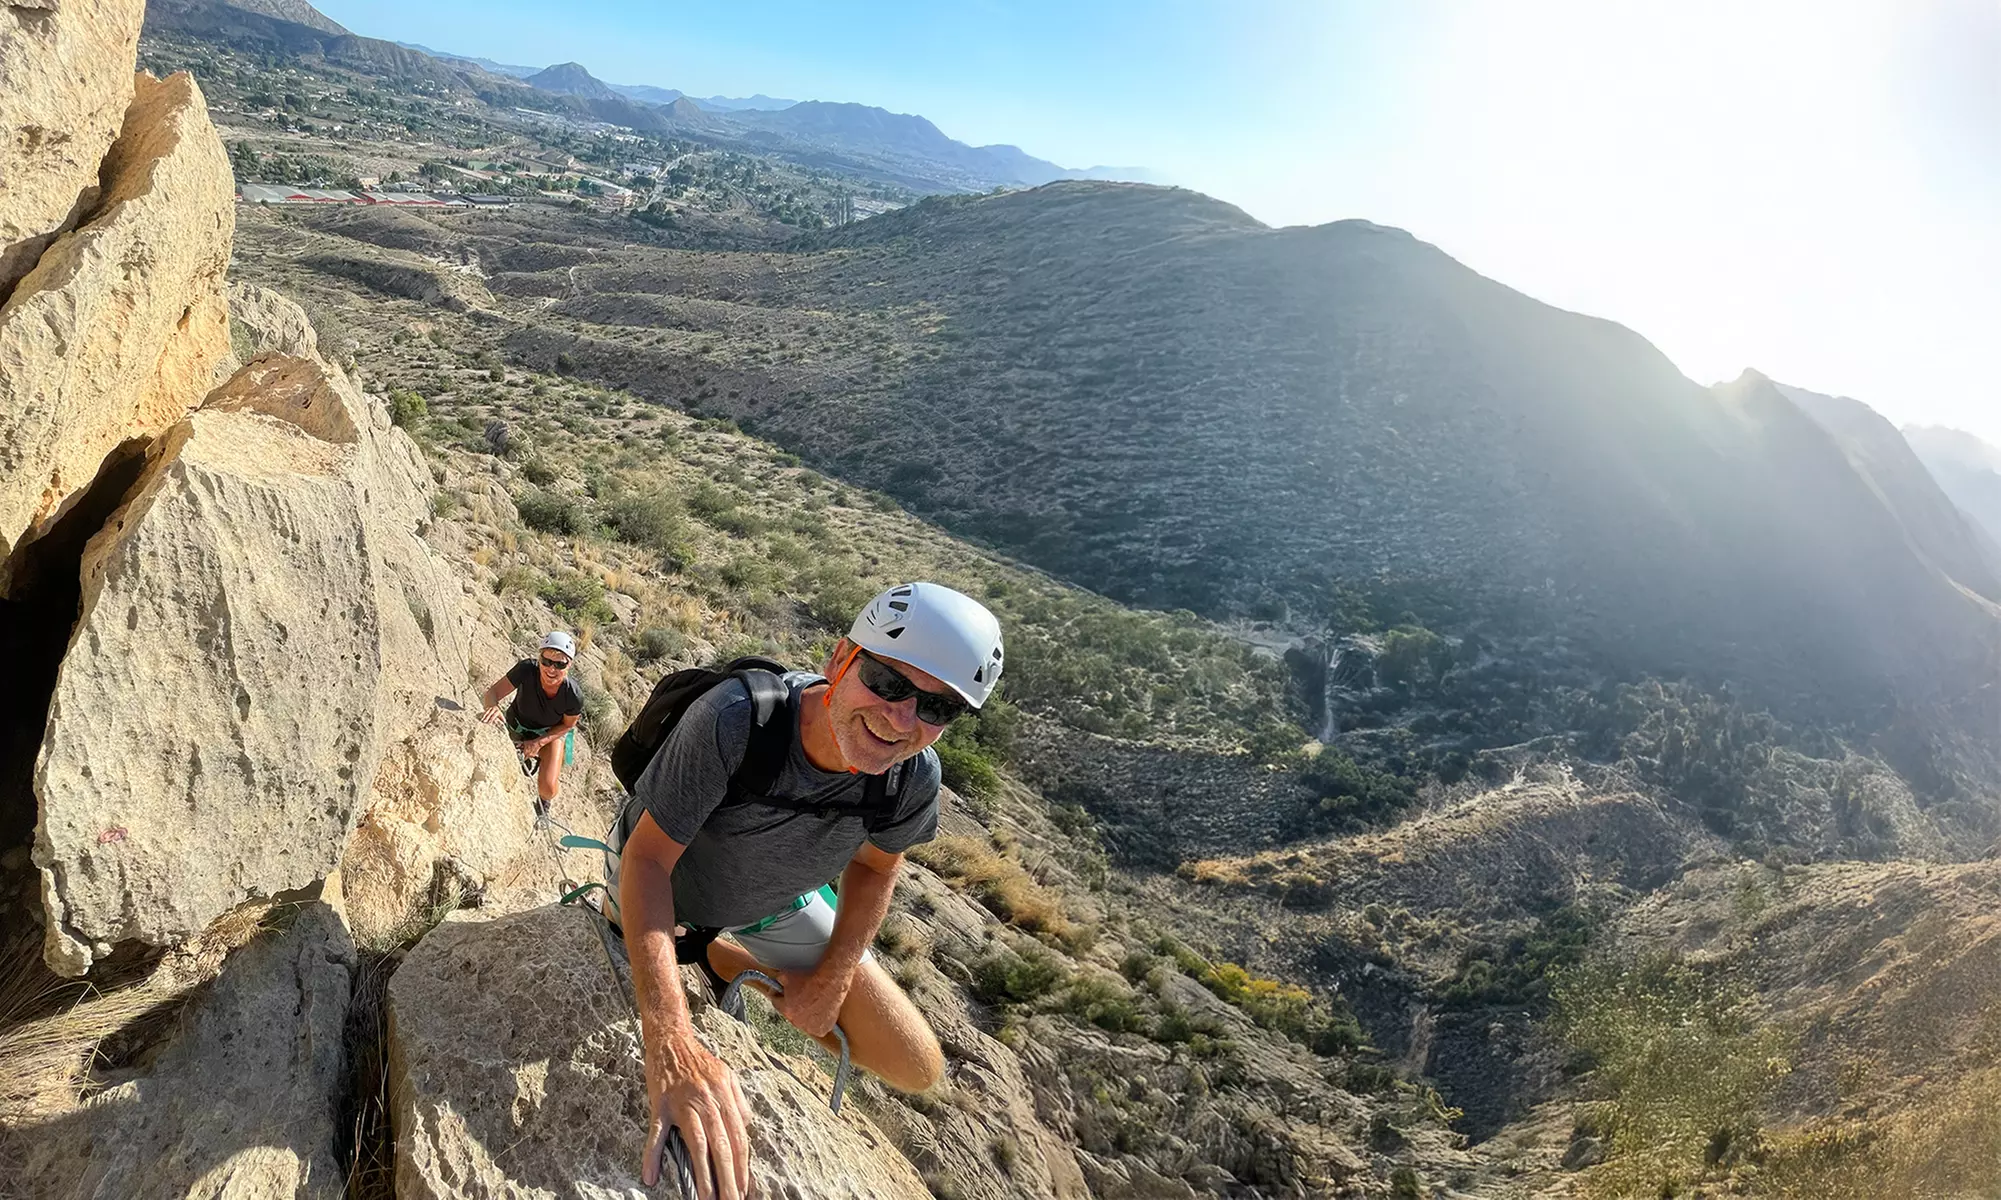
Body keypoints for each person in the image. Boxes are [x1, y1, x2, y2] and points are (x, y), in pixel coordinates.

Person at [615, 582, 1003, 1199]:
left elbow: (877, 867)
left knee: (915, 1063)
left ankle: (718, 956)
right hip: (671, 881)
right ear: (839, 660)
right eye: (888, 682)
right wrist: (672, 1038)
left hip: (773, 904)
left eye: (938, 708)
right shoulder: (738, 721)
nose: (902, 720)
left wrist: (833, 978)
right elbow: (648, 862)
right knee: (626, 933)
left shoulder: (910, 779)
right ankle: (702, 947)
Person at [479, 630, 584, 818]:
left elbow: (568, 726)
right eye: (547, 661)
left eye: (560, 664)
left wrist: (539, 743)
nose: (551, 669)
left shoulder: (572, 695)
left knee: (548, 788)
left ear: (569, 665)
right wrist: (492, 707)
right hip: (515, 725)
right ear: (540, 657)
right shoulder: (527, 670)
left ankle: (544, 804)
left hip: (547, 735)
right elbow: (492, 693)